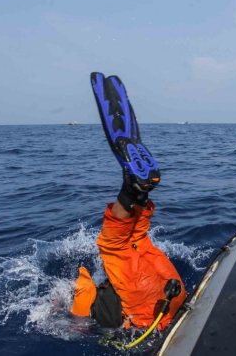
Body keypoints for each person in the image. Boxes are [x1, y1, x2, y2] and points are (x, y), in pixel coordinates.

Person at [70, 73, 187, 333]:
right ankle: (136, 191)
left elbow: (76, 323)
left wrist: (66, 317)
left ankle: (135, 190)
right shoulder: (89, 295)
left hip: (164, 296)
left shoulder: (83, 304)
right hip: (160, 298)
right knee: (124, 243)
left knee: (131, 242)